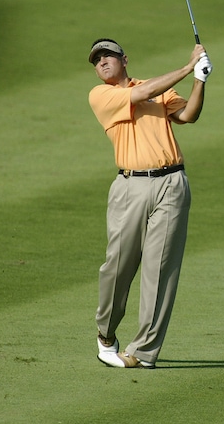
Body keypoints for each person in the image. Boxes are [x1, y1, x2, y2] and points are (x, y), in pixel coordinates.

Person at [87, 38, 212, 369]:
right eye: (96, 60)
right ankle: (106, 334)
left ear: (124, 59)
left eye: (107, 56)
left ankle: (143, 352)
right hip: (130, 186)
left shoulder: (158, 89)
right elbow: (139, 95)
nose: (101, 62)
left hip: (172, 183)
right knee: (118, 265)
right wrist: (187, 67)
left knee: (160, 270)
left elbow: (187, 115)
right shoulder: (101, 95)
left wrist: (200, 80)